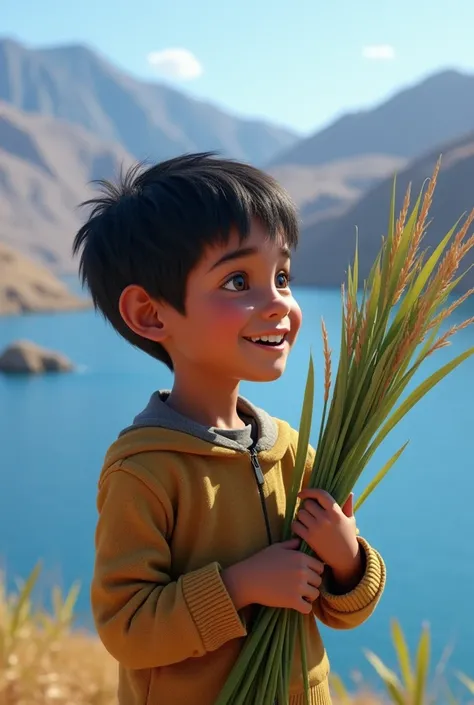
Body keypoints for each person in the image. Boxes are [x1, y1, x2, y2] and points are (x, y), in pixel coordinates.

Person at [73, 153, 386, 705]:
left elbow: (345, 612)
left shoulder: (293, 454)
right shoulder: (145, 471)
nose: (279, 305)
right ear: (150, 313)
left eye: (282, 277)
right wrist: (241, 586)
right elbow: (126, 628)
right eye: (239, 280)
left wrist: (348, 560)